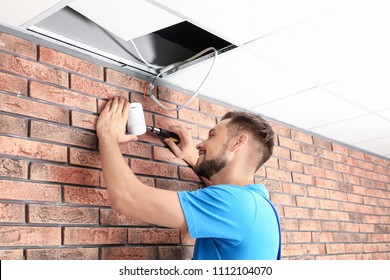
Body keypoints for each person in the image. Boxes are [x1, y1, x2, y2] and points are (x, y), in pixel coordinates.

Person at [96, 96, 281, 260]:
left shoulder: (235, 204)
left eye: (212, 136)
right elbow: (219, 190)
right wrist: (194, 157)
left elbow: (126, 198)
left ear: (237, 142)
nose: (201, 144)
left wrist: (108, 135)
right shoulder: (259, 204)